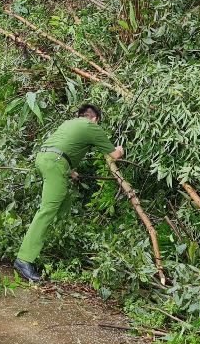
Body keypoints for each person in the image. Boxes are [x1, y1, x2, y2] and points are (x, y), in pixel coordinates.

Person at [13, 104, 124, 283]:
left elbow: (63, 146)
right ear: (95, 119)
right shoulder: (93, 127)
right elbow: (115, 155)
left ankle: (52, 239)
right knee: (47, 210)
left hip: (44, 159)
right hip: (55, 164)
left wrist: (70, 171)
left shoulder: (68, 124)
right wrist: (119, 149)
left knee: (63, 203)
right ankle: (24, 259)